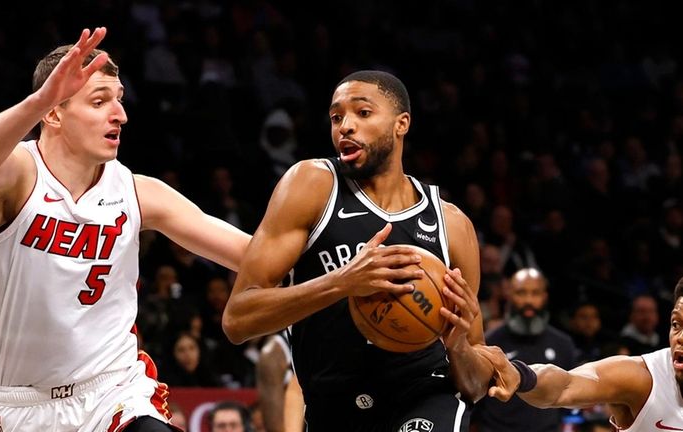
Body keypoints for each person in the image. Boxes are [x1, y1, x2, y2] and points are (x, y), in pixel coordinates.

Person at [0, 27, 250, 432]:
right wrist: (40, 98)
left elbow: (249, 253)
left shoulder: (135, 190)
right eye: (99, 101)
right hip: (23, 405)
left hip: (114, 391)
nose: (120, 114)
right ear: (54, 113)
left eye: (119, 100)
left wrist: (345, 267)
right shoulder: (18, 175)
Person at [222, 70, 493, 431]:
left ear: (402, 124)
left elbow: (475, 386)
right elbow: (237, 320)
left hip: (424, 394)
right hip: (331, 407)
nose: (345, 126)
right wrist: (343, 282)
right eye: (336, 117)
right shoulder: (311, 185)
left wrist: (458, 346)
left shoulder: (452, 226)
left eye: (363, 113)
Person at [477, 276, 683, 431]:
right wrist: (522, 376)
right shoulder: (643, 379)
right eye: (676, 324)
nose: (679, 338)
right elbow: (566, 385)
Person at [471, 268, 576, 432]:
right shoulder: (489, 342)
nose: (529, 300)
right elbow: (475, 401)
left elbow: (571, 398)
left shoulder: (563, 344)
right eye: (521, 293)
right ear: (509, 295)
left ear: (545, 296)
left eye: (535, 293)